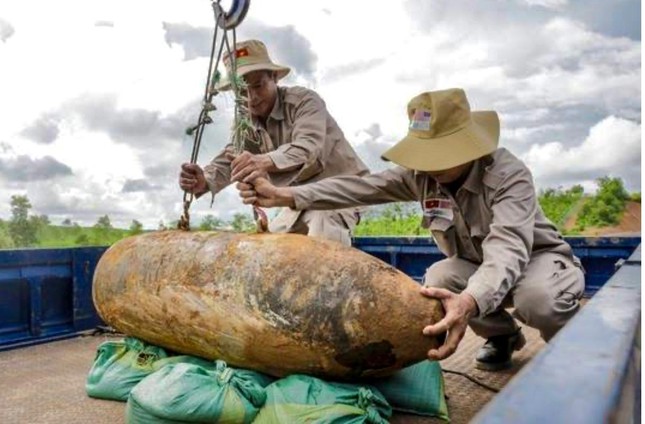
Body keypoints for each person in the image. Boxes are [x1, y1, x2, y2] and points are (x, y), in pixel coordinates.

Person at [236, 88, 585, 371]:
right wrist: (285, 195)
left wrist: (468, 301)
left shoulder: (508, 175)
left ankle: (579, 352)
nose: (427, 166)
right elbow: (358, 188)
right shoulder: (421, 176)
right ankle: (503, 336)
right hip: (477, 265)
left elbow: (508, 249)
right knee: (437, 280)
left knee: (538, 300)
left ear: (466, 146)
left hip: (534, 261)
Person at [179, 39, 368, 245]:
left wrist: (261, 161)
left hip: (340, 190)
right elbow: (232, 156)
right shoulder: (245, 122)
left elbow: (307, 148)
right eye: (241, 92)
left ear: (274, 77)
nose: (251, 98)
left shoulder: (305, 102)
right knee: (265, 247)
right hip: (297, 201)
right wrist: (204, 181)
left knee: (323, 226)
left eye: (258, 86)